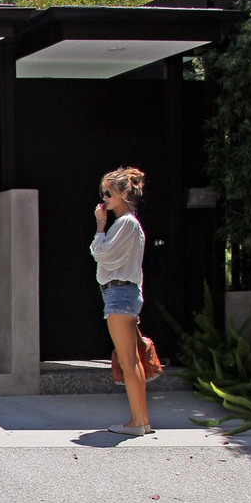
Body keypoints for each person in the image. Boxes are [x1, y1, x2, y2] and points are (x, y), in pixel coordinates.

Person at [91, 166, 150, 436]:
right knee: (131, 360)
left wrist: (100, 226)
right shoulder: (130, 225)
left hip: (119, 294)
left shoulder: (125, 223)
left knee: (128, 361)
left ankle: (138, 422)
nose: (104, 197)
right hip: (124, 293)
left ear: (124, 193)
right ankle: (141, 420)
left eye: (109, 192)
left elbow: (101, 253)